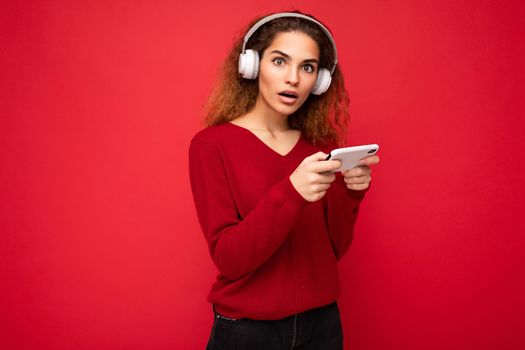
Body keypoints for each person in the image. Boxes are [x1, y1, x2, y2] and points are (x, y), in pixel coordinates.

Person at [189, 11, 379, 350]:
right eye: (279, 61)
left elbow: (332, 250)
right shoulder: (211, 145)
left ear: (319, 80)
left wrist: (352, 194)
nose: (293, 78)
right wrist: (291, 193)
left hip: (322, 326)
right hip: (248, 333)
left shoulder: (321, 149)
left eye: (307, 67)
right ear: (252, 65)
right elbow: (230, 260)